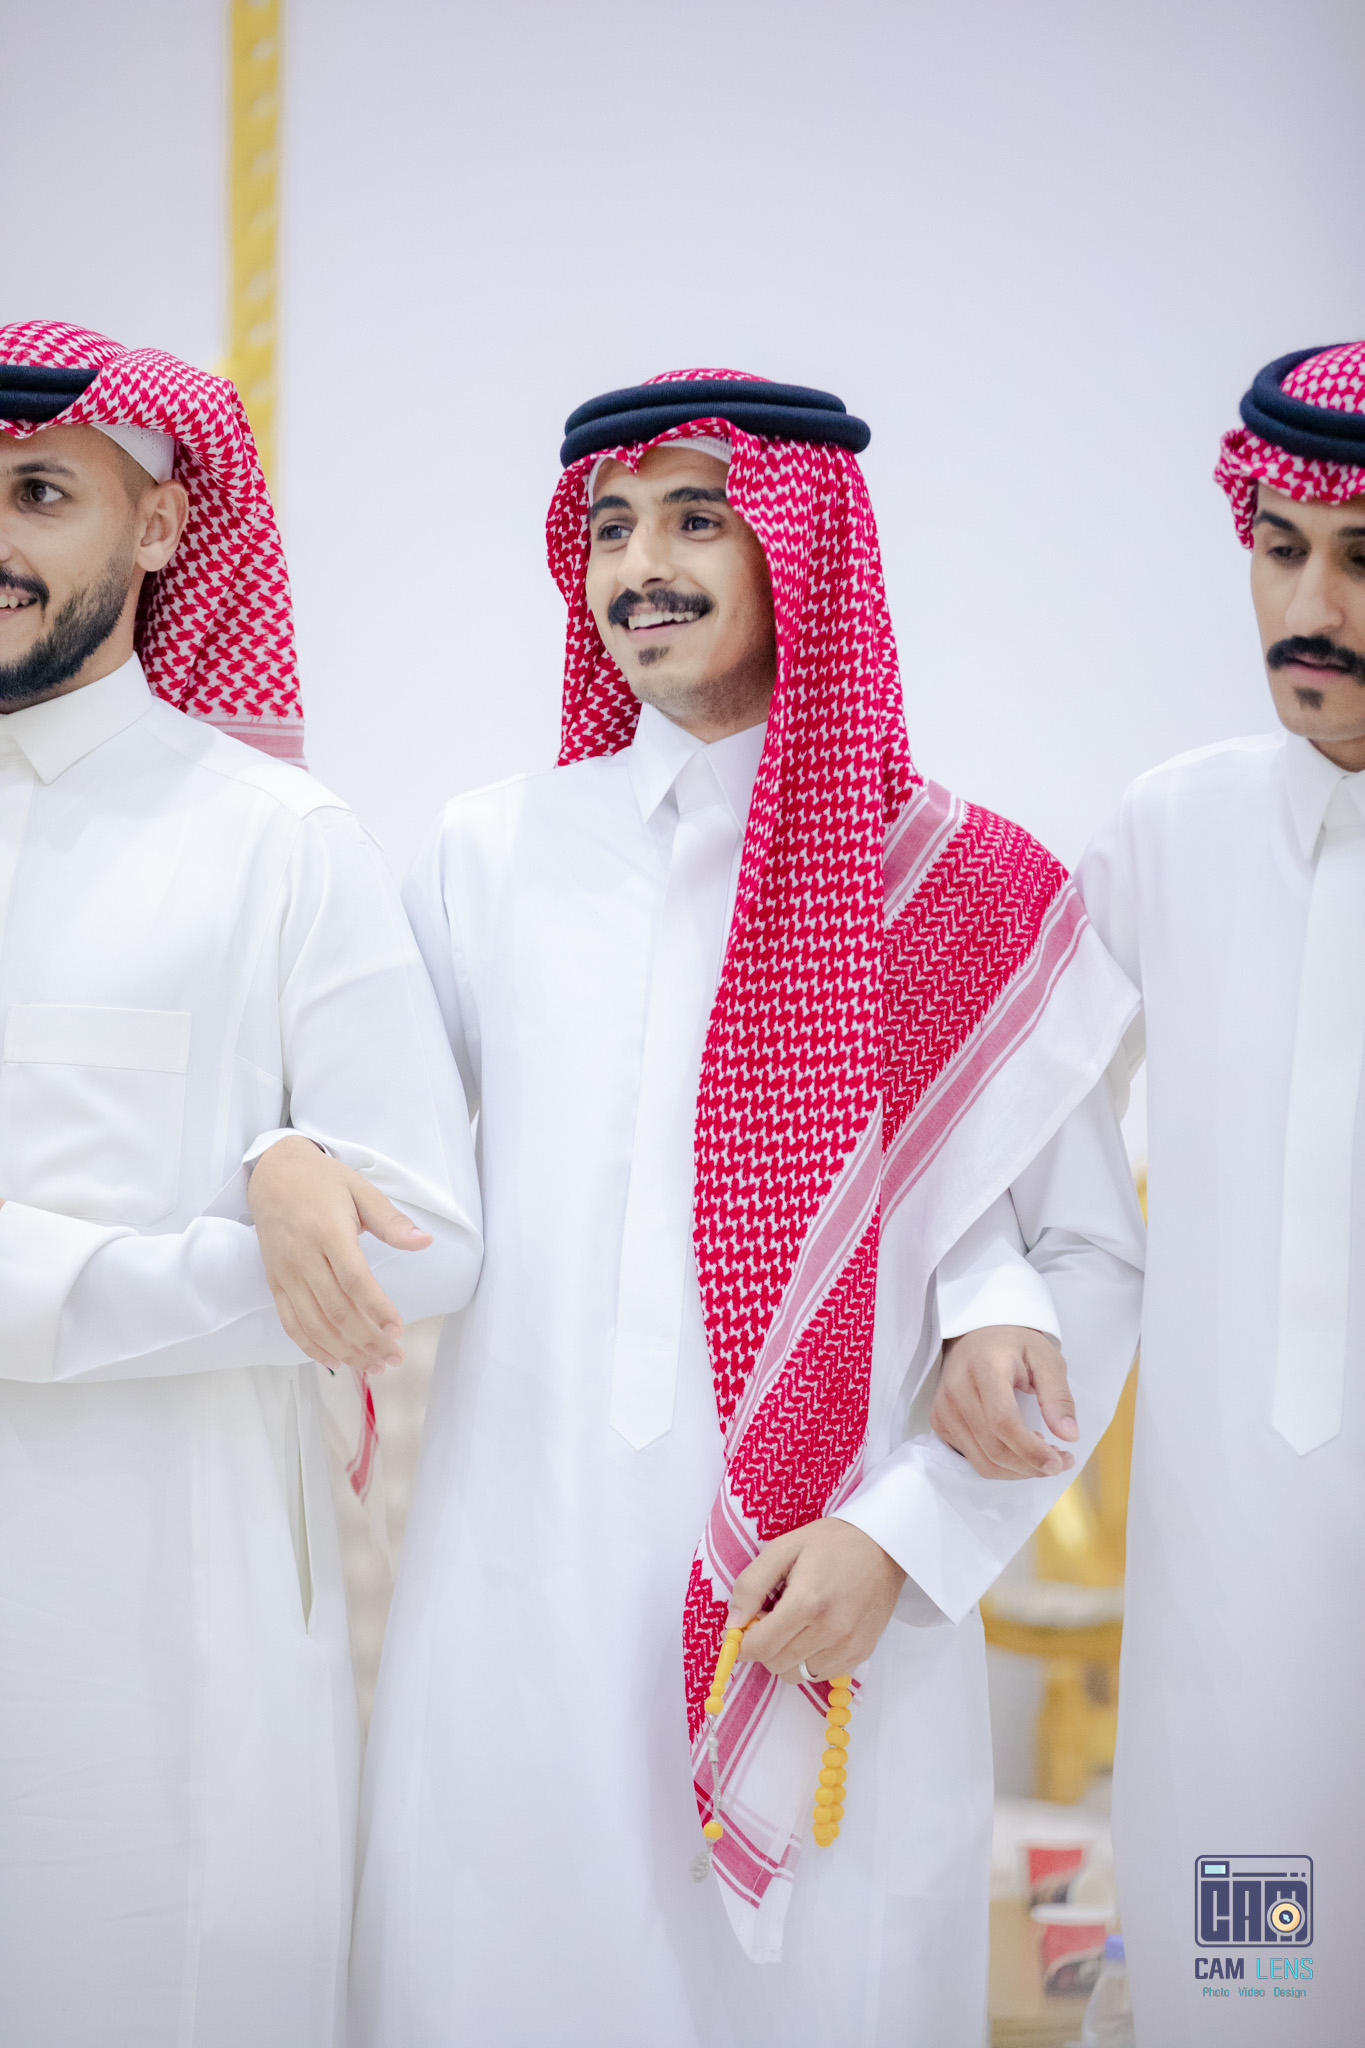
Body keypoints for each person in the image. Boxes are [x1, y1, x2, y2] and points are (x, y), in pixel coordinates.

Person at [332, 370, 1145, 2046]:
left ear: (804, 548)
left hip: (831, 1613)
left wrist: (903, 1537)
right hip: (512, 1610)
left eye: (697, 520)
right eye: (612, 528)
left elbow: (1082, 1258)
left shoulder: (963, 889)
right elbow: (374, 1164)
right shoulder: (489, 857)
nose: (642, 567)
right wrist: (287, 1160)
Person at [0, 321, 482, 2048]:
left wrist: (290, 1175)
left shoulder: (274, 841)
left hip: (170, 1632)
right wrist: (213, 1249)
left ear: (158, 526)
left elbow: (421, 1244)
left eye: (39, 492)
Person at [1080, 340, 1365, 2045]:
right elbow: (1027, 1140)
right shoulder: (1167, 832)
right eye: (1278, 550)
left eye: (1361, 561)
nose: (1308, 608)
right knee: (1246, 1987)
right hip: (1224, 1600)